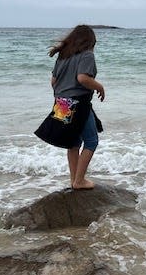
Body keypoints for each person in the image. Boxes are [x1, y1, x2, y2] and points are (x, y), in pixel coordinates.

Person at [35, 25, 105, 189]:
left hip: (62, 102)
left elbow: (53, 82)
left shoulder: (63, 56)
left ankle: (74, 179)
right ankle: (79, 181)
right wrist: (99, 87)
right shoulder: (86, 55)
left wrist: (63, 94)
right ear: (90, 42)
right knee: (91, 141)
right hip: (78, 102)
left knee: (73, 142)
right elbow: (82, 78)